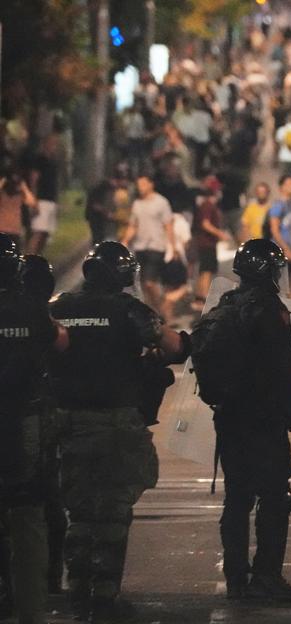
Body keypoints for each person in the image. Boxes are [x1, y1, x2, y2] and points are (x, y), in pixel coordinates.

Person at [48, 241, 187, 620]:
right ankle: (105, 595)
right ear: (123, 275)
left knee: (78, 511)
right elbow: (171, 344)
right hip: (116, 423)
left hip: (67, 423)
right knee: (112, 510)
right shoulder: (127, 309)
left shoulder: (58, 307)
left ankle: (76, 592)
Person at [212, 239, 291, 603]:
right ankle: (267, 576)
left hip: (231, 418)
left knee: (236, 498)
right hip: (264, 419)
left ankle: (237, 579)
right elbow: (285, 367)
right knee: (274, 497)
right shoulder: (270, 309)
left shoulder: (226, 306)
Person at [0, 235, 67, 624]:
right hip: (23, 422)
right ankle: (31, 608)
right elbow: (59, 343)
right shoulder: (31, 310)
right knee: (28, 517)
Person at [121, 174, 176, 322]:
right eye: (139, 185)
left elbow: (168, 225)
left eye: (143, 184)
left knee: (150, 282)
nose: (141, 188)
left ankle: (161, 309)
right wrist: (125, 241)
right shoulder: (137, 204)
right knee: (143, 285)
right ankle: (151, 315)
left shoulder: (161, 202)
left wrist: (172, 246)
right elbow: (133, 225)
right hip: (140, 246)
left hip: (156, 246)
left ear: (151, 184)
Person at [192, 176, 232, 311]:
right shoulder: (208, 205)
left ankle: (200, 298)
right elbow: (205, 224)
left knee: (205, 270)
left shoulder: (205, 204)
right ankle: (202, 298)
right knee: (206, 271)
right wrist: (220, 234)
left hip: (206, 243)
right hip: (206, 243)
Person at [268, 175, 291, 297]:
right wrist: (286, 248)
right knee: (284, 279)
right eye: (289, 184)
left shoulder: (289, 204)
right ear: (281, 187)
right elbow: (274, 229)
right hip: (279, 248)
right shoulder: (278, 206)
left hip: (286, 246)